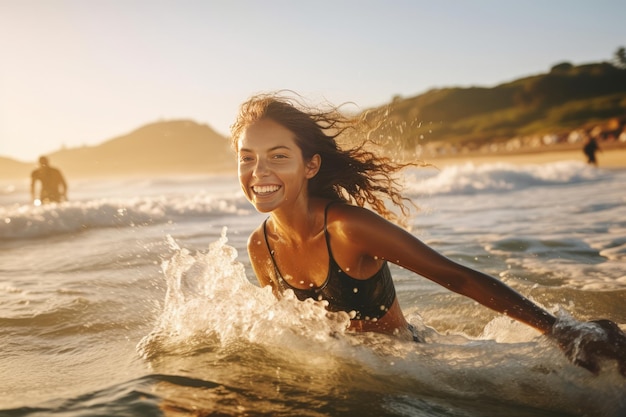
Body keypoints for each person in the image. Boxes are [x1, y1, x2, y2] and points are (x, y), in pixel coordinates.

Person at [230, 92, 626, 376]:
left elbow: (456, 276)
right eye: (247, 158)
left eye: (278, 156)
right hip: (350, 373)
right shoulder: (260, 247)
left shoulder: (347, 228)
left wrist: (558, 329)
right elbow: (293, 331)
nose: (259, 171)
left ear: (310, 165)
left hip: (414, 366)